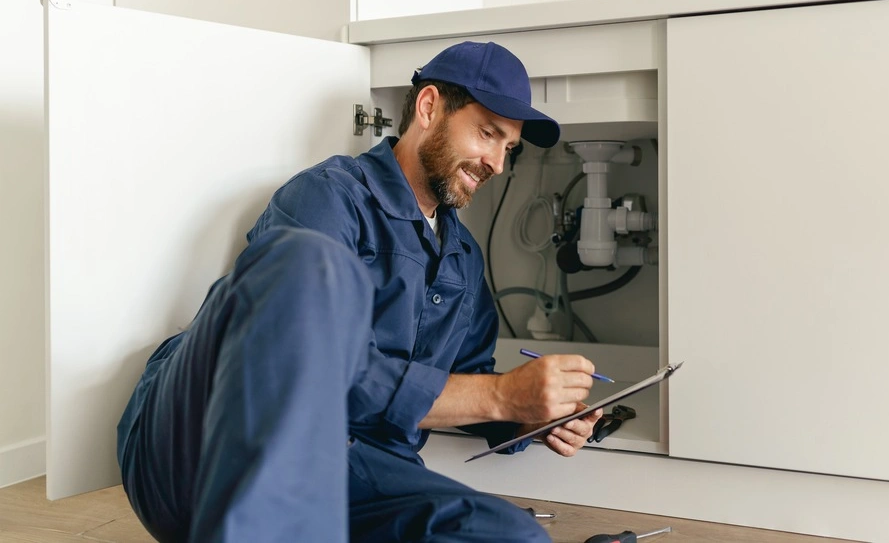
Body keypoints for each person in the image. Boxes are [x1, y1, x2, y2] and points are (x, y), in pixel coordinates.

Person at [116, 41, 603, 543]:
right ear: (429, 107)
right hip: (204, 446)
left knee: (516, 537)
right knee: (306, 259)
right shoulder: (328, 196)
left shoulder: (463, 257)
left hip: (352, 469)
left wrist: (531, 415)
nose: (497, 164)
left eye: (509, 148)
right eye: (487, 134)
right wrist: (501, 395)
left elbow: (468, 385)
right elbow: (315, 366)